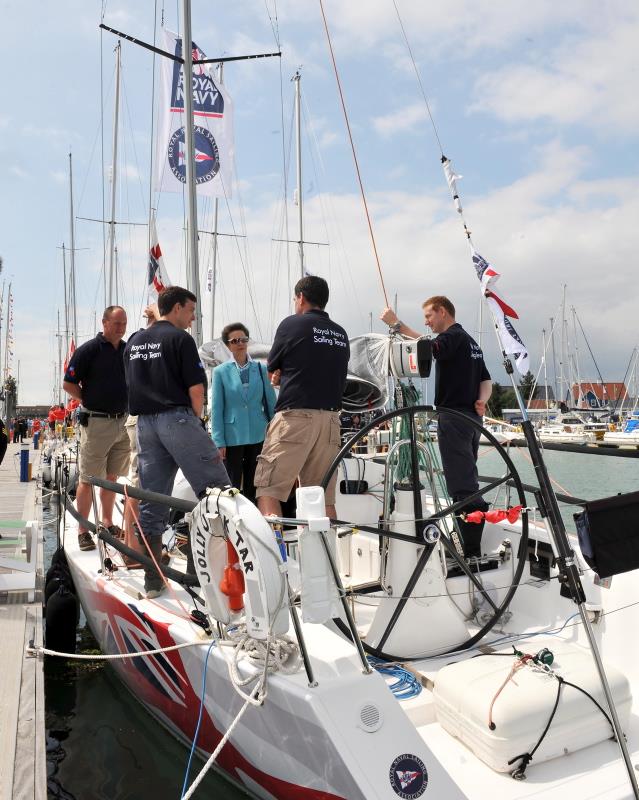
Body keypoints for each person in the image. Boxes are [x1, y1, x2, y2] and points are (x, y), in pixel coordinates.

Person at [124, 286, 229, 598]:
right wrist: (195, 423)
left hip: (145, 424)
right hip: (177, 418)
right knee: (218, 491)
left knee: (152, 500)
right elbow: (196, 389)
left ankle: (153, 579)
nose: (193, 319)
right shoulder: (180, 339)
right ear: (177, 308)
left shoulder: (133, 342)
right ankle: (205, 573)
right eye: (191, 311)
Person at [380, 296, 492, 558]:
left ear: (442, 312)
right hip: (472, 421)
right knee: (467, 478)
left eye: (429, 316)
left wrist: (397, 325)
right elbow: (486, 379)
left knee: (461, 485)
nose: (427, 322)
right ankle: (466, 541)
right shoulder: (471, 342)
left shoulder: (453, 336)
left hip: (453, 419)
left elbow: (429, 348)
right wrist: (481, 401)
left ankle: (469, 550)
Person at [255, 275, 350, 520]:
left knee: (269, 490)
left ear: (301, 298)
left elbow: (272, 367)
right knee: (322, 497)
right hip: (330, 422)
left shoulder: (292, 325)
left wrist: (282, 375)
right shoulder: (340, 334)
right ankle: (328, 557)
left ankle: (275, 556)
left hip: (295, 418)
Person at [63, 306, 130, 551]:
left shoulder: (126, 350)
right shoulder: (89, 350)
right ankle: (83, 529)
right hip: (97, 422)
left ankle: (108, 521)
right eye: (116, 323)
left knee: (112, 477)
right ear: (104, 323)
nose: (121, 328)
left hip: (122, 422)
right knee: (88, 478)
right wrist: (88, 400)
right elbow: (68, 383)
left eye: (124, 323)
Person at [211, 322, 276, 504]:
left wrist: (275, 432)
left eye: (243, 339)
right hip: (232, 436)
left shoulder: (261, 369)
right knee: (231, 483)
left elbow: (271, 402)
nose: (240, 343)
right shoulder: (220, 372)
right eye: (235, 340)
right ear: (228, 345)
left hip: (259, 433)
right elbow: (216, 408)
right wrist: (218, 441)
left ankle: (254, 521)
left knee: (255, 482)